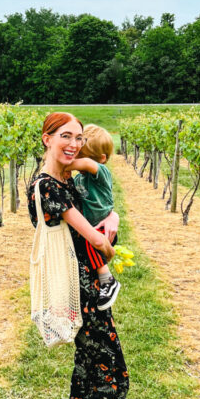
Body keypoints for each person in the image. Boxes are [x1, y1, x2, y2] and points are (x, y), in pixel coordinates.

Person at [28, 112, 130, 399]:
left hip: (81, 289)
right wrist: (109, 235)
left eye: (78, 138)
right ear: (47, 139)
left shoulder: (58, 182)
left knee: (87, 369)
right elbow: (98, 241)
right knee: (114, 378)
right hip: (83, 292)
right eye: (64, 137)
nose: (72, 144)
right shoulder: (51, 186)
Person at [69, 123, 121, 310]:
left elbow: (89, 164)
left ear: (102, 159)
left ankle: (108, 280)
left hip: (101, 227)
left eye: (82, 156)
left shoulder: (101, 173)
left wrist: (65, 162)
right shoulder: (79, 179)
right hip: (91, 226)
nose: (78, 160)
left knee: (91, 241)